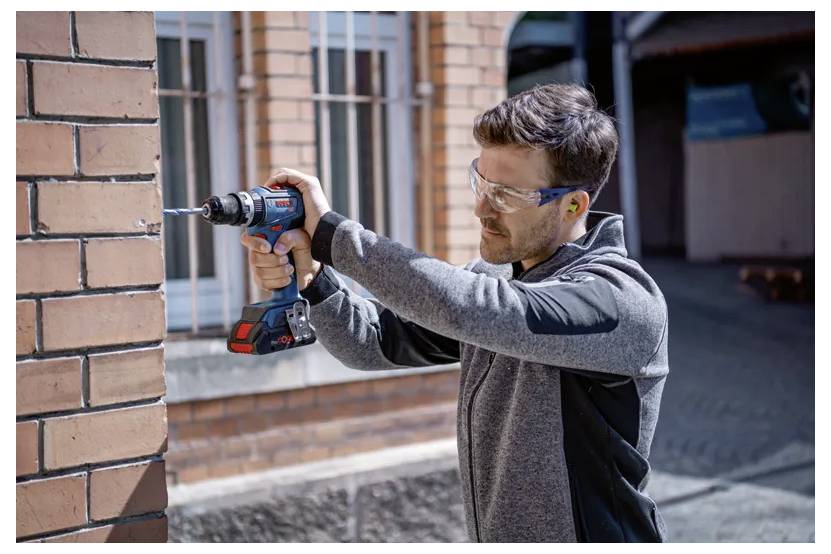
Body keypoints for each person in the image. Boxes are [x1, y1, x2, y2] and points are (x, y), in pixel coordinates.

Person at [241, 83, 669, 542]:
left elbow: (475, 310)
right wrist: (313, 278)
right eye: (481, 182)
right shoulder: (498, 279)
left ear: (572, 204)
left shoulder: (620, 300)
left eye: (507, 195)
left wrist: (335, 236)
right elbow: (372, 343)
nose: (481, 208)